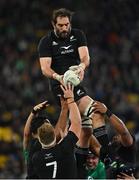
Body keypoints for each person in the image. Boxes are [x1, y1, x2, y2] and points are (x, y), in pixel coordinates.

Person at [38, 7, 106, 149]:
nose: (64, 28)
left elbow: (85, 57)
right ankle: (108, 155)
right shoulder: (46, 41)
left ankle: (86, 159)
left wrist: (81, 67)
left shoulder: (78, 35)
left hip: (75, 82)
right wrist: (59, 77)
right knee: (97, 113)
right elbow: (45, 68)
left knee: (86, 130)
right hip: (61, 86)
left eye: (67, 25)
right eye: (60, 25)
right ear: (53, 24)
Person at [32, 83, 82, 179]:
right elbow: (77, 123)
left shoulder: (36, 158)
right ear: (54, 135)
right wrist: (70, 99)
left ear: (39, 139)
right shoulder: (65, 148)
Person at [23, 98, 68, 179]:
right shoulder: (49, 144)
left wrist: (33, 112)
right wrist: (65, 108)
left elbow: (26, 135)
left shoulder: (30, 148)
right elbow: (57, 133)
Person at [92, 101, 136, 179]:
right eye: (115, 135)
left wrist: (107, 112)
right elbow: (90, 139)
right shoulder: (106, 152)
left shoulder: (128, 151)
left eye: (118, 135)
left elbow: (124, 133)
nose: (115, 137)